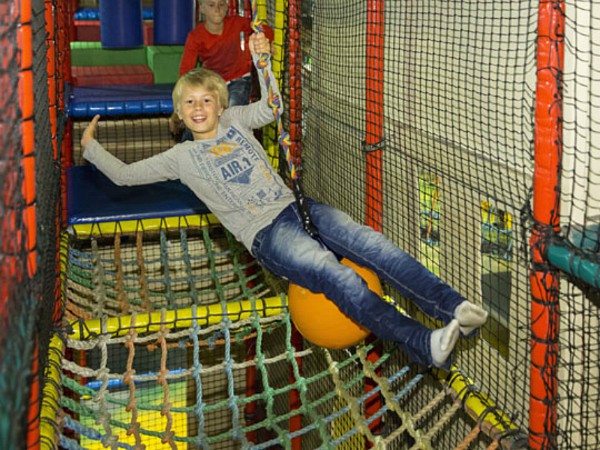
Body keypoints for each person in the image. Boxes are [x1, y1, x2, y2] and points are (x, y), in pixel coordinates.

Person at [81, 33, 488, 369]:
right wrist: (91, 148)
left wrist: (262, 63)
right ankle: (423, 342)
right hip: (266, 234)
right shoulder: (181, 157)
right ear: (178, 114)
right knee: (336, 275)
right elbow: (124, 175)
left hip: (297, 206)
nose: (199, 107)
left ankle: (454, 309)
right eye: (189, 102)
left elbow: (273, 107)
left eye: (207, 99)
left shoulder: (235, 121)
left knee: (371, 244)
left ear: (221, 105)